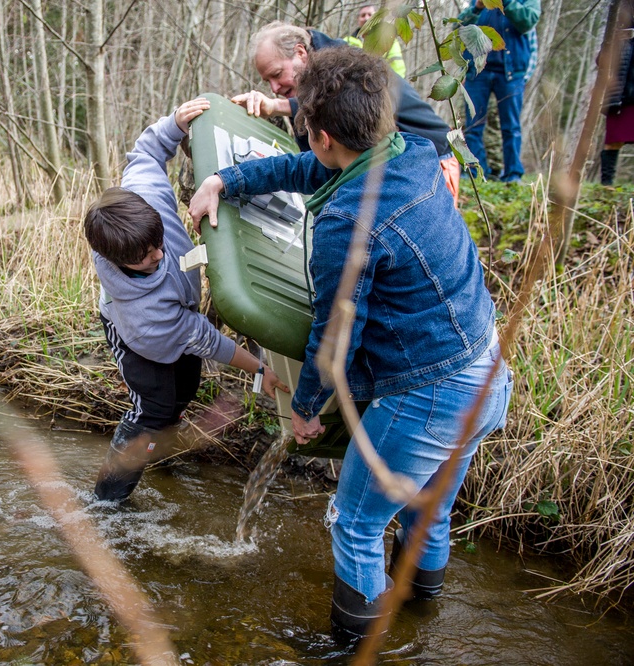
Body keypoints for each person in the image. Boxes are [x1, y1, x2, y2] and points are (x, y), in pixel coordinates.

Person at [188, 47, 512, 640]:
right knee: (429, 509)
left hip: (431, 397)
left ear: (322, 133)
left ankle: (353, 648)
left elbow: (335, 334)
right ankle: (421, 621)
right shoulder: (407, 151)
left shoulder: (346, 222)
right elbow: (312, 168)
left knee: (356, 525)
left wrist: (307, 409)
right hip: (488, 371)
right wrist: (223, 179)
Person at [83, 97, 289, 503]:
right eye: (146, 258)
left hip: (178, 315)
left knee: (186, 388)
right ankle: (107, 498)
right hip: (138, 340)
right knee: (153, 409)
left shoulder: (145, 197)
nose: (160, 255)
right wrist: (260, 370)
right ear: (118, 259)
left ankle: (159, 441)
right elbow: (206, 339)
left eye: (159, 242)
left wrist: (174, 124)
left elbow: (146, 151)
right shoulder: (147, 317)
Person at [232, 21, 460, 201]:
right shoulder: (318, 75)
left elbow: (336, 102)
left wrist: (276, 107)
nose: (274, 88)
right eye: (267, 81)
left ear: (300, 52)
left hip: (434, 158)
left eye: (277, 73)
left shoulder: (346, 68)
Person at [459, 0, 542, 183]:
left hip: (511, 72)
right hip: (478, 71)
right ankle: (475, 172)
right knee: (473, 124)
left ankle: (512, 174)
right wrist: (477, 8)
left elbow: (528, 21)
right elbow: (459, 27)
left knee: (511, 126)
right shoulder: (477, 2)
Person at [599, 0, 634, 185]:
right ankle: (606, 188)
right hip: (620, 92)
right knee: (613, 140)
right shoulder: (620, 17)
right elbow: (602, 59)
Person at [343, 4, 407, 78]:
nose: (366, 18)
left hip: (381, 84)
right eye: (363, 15)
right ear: (358, 19)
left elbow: (398, 68)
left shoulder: (389, 41)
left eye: (370, 15)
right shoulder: (347, 41)